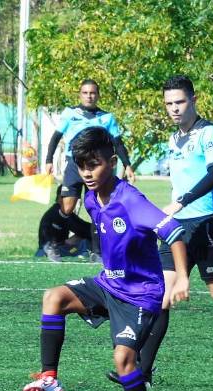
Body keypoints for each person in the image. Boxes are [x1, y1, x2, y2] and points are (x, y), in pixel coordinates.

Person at [23, 127, 189, 391]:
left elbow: (174, 231)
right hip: (108, 284)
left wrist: (182, 277)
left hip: (140, 295)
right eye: (82, 164)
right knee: (53, 297)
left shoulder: (131, 200)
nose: (87, 171)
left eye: (94, 164)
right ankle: (49, 378)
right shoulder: (90, 197)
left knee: (123, 359)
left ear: (112, 162)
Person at [125, 75, 213, 388]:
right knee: (160, 296)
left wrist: (183, 201)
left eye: (179, 102)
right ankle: (143, 372)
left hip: (204, 224)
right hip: (176, 227)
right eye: (169, 104)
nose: (174, 109)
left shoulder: (210, 132)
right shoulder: (173, 139)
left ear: (193, 99)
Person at [44, 79, 136, 262]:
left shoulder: (107, 118)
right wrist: (48, 160)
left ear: (98, 95)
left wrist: (127, 164)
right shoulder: (70, 114)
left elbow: (117, 143)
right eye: (85, 93)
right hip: (74, 164)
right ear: (80, 94)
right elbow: (56, 138)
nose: (89, 96)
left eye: (92, 93)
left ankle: (97, 252)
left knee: (97, 206)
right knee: (67, 207)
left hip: (97, 167)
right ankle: (52, 243)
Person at [36, 185, 92, 262]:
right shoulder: (61, 213)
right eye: (73, 198)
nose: (75, 201)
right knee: (85, 243)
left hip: (47, 250)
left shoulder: (55, 210)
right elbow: (84, 229)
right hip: (52, 251)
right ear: (61, 198)